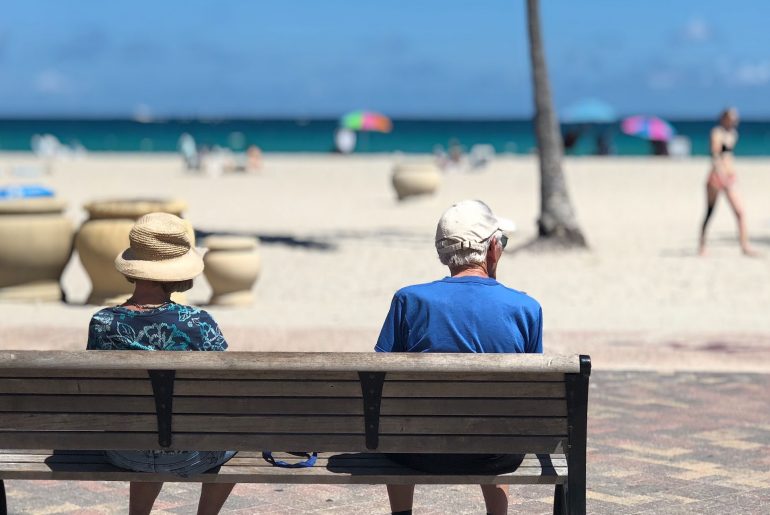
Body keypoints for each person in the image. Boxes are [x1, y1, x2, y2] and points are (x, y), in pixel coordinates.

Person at [375, 200, 543, 515]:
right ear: (493, 248)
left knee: (397, 415)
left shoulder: (409, 301)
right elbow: (531, 396)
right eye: (502, 242)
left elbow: (380, 382)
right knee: (500, 412)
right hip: (496, 454)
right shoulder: (525, 309)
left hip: (417, 452)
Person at [87, 213, 236, 515]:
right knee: (235, 432)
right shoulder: (198, 323)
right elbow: (223, 385)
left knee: (145, 423)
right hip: (191, 454)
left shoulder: (102, 322)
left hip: (123, 452)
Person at [699, 108, 756, 256]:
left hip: (730, 178)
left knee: (740, 212)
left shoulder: (733, 134)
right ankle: (702, 245)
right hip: (716, 177)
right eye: (732, 117)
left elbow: (728, 157)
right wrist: (721, 175)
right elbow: (715, 156)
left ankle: (745, 245)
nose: (735, 120)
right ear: (725, 118)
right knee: (710, 211)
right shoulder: (717, 133)